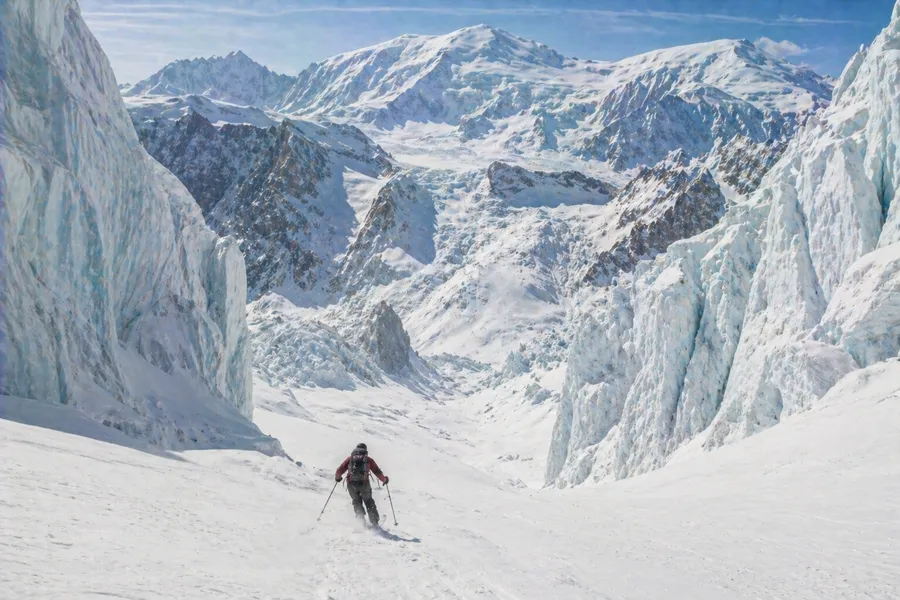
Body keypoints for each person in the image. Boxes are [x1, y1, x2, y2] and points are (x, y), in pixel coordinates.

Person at [335, 443, 389, 527]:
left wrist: (338, 478)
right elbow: (377, 471)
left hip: (351, 484)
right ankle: (374, 522)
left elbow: (339, 470)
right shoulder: (368, 459)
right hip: (364, 484)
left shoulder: (350, 459)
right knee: (368, 501)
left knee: (356, 501)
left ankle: (361, 522)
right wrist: (384, 479)